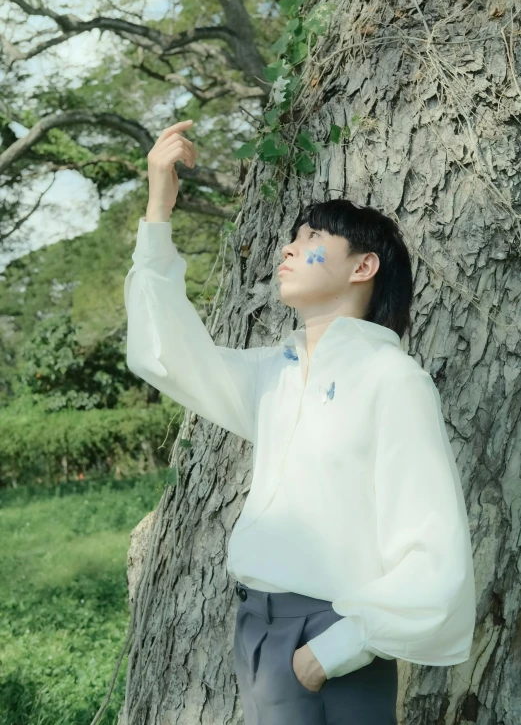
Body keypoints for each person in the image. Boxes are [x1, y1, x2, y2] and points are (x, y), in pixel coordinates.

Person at [125, 121, 476, 725]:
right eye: (293, 236)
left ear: (364, 266)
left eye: (313, 237)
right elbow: (164, 353)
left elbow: (434, 543)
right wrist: (159, 207)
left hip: (335, 637)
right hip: (257, 629)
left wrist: (334, 649)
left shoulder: (392, 380)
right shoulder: (276, 373)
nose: (289, 247)